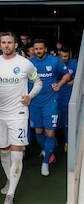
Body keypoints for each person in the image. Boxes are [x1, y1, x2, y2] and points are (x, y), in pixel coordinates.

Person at [0, 32, 42, 204]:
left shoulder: (25, 64)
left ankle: (10, 194)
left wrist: (29, 96)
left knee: (16, 154)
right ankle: (10, 179)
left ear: (15, 44)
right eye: (3, 42)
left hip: (18, 114)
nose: (6, 45)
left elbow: (39, 83)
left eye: (9, 42)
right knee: (3, 151)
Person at [29, 38, 71, 176]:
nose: (38, 51)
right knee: (38, 131)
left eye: (41, 48)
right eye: (36, 49)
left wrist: (59, 85)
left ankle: (46, 162)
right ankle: (45, 150)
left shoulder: (54, 61)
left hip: (50, 103)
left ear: (45, 49)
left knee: (50, 133)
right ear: (33, 50)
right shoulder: (29, 63)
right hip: (34, 103)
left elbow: (67, 74)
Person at [57, 46, 77, 152]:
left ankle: (67, 142)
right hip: (56, 95)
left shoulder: (73, 63)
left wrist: (72, 82)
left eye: (66, 56)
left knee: (68, 121)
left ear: (69, 54)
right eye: (63, 56)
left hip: (69, 94)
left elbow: (79, 76)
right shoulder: (55, 62)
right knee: (55, 119)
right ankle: (53, 141)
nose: (65, 58)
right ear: (59, 53)